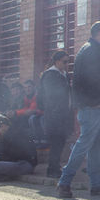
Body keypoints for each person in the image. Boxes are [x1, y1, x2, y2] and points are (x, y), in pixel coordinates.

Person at [57, 21, 100, 198]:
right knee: (83, 146)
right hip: (93, 108)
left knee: (95, 148)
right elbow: (89, 80)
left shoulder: (90, 49)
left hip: (95, 107)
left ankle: (97, 184)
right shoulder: (92, 51)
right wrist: (95, 102)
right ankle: (64, 182)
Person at [37, 50, 73, 178]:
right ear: (57, 61)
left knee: (60, 141)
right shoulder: (51, 75)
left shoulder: (63, 74)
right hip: (54, 115)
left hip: (63, 115)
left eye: (67, 62)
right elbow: (50, 96)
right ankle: (52, 169)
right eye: (64, 61)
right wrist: (56, 110)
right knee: (56, 142)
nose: (66, 64)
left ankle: (55, 166)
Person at [0, 114, 37, 182]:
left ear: (3, 125)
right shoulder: (2, 137)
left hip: (24, 164)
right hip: (12, 163)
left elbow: (16, 154)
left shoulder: (17, 133)